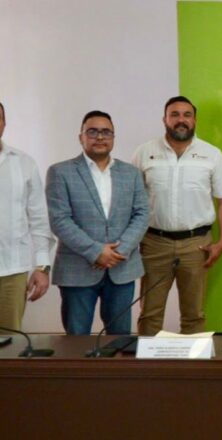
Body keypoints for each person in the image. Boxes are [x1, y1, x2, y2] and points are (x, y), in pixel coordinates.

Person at [133, 96, 222, 335]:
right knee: (149, 314)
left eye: (187, 115)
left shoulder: (212, 154)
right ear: (164, 119)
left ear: (194, 120)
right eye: (175, 114)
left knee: (194, 314)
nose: (181, 120)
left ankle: (194, 361)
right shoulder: (145, 153)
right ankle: (147, 360)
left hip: (196, 245)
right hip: (154, 243)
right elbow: (131, 200)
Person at [46, 111, 149, 335]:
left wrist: (117, 252)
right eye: (92, 132)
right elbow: (59, 220)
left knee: (120, 339)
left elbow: (142, 214)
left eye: (106, 132)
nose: (100, 137)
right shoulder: (60, 172)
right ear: (81, 137)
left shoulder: (131, 173)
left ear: (113, 137)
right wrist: (96, 252)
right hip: (77, 269)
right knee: (76, 339)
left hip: (121, 268)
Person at [0, 102, 55, 330]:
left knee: (8, 342)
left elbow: (39, 220)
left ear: (4, 123)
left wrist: (42, 267)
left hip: (11, 272)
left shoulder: (23, 163)